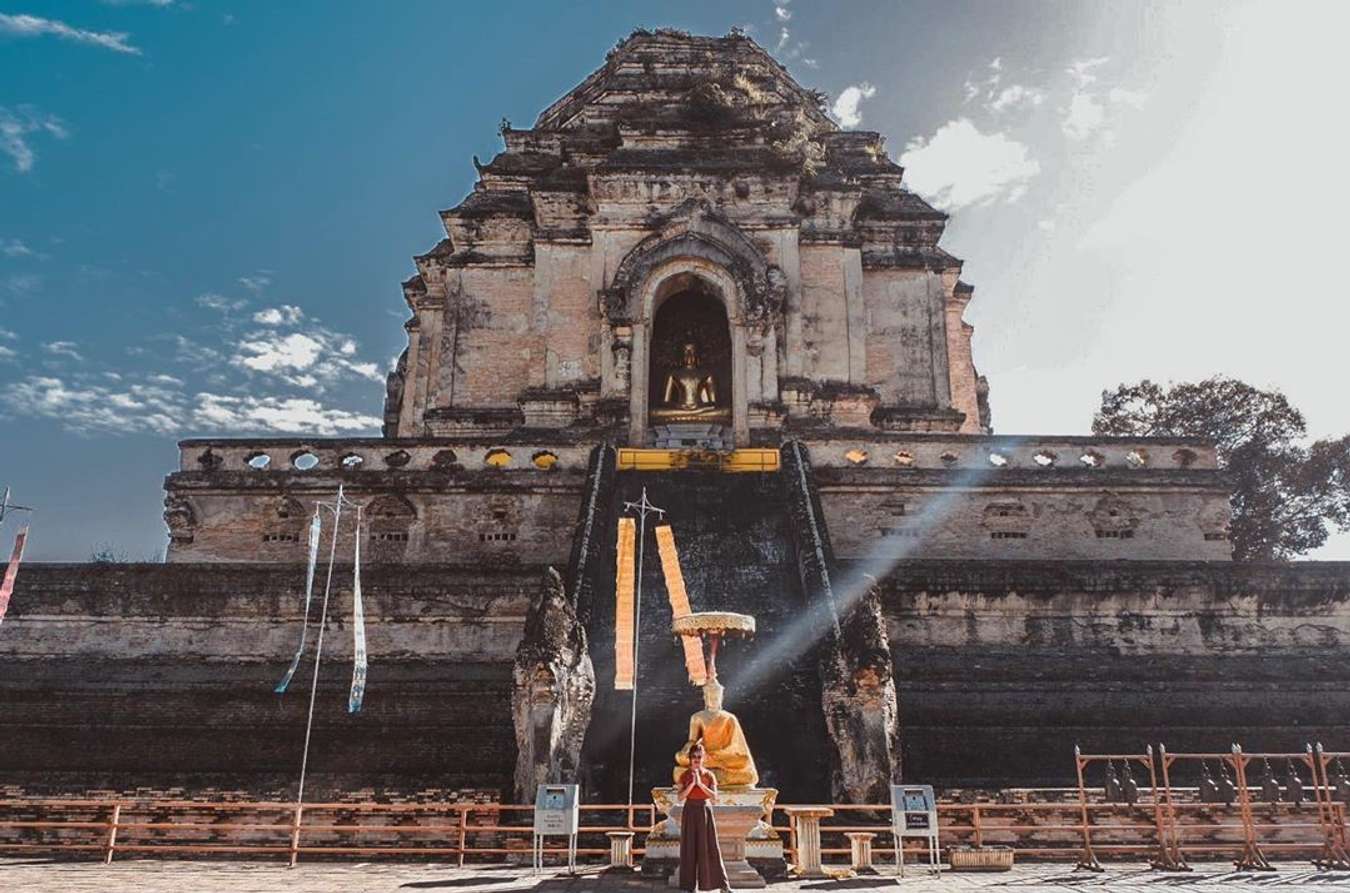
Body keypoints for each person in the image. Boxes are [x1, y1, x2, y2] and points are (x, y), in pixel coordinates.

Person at [676, 740, 732, 893]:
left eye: (699, 757)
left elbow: (715, 797)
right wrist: (691, 784)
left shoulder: (709, 775)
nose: (696, 759)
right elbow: (680, 797)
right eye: (694, 756)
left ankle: (723, 885)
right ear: (690, 758)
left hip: (704, 811)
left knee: (710, 847)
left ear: (703, 758)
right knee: (689, 848)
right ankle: (690, 887)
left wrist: (700, 784)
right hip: (689, 810)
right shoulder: (684, 775)